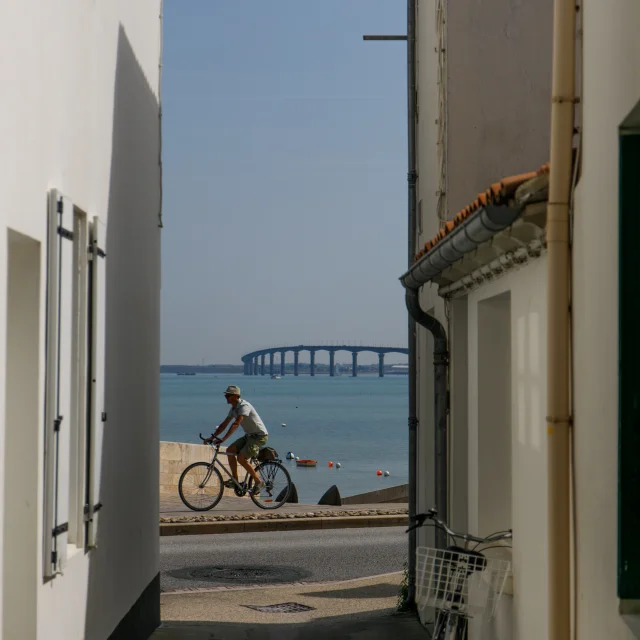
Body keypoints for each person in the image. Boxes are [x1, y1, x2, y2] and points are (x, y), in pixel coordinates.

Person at [205, 385, 268, 495]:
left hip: (259, 436)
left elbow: (236, 423)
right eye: (226, 395)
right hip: (249, 436)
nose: (226, 396)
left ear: (235, 396)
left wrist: (223, 439)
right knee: (230, 450)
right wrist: (212, 437)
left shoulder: (244, 406)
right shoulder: (233, 408)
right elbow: (224, 424)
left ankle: (258, 482)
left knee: (240, 458)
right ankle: (235, 480)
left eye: (228, 395)